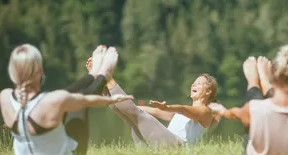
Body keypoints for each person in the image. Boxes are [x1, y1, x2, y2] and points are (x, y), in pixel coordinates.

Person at [0, 44, 134, 155]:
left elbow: (65, 96)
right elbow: (85, 99)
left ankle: (94, 74)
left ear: (12, 73)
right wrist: (110, 99)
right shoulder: (52, 101)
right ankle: (102, 74)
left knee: (65, 99)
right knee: (77, 107)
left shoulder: (5, 97)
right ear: (40, 70)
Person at [211, 45, 288, 155]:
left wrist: (222, 111)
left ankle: (253, 81)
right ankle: (263, 81)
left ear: (273, 77)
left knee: (254, 106)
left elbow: (233, 113)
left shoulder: (251, 109)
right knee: (259, 109)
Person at [86, 58, 224, 147]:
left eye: (199, 83)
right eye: (194, 82)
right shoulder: (180, 114)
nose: (194, 84)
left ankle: (107, 76)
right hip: (162, 145)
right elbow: (158, 112)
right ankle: (105, 88)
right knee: (128, 115)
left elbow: (183, 109)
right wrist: (132, 106)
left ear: (208, 92)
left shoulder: (206, 112)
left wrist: (167, 107)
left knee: (135, 113)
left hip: (177, 148)